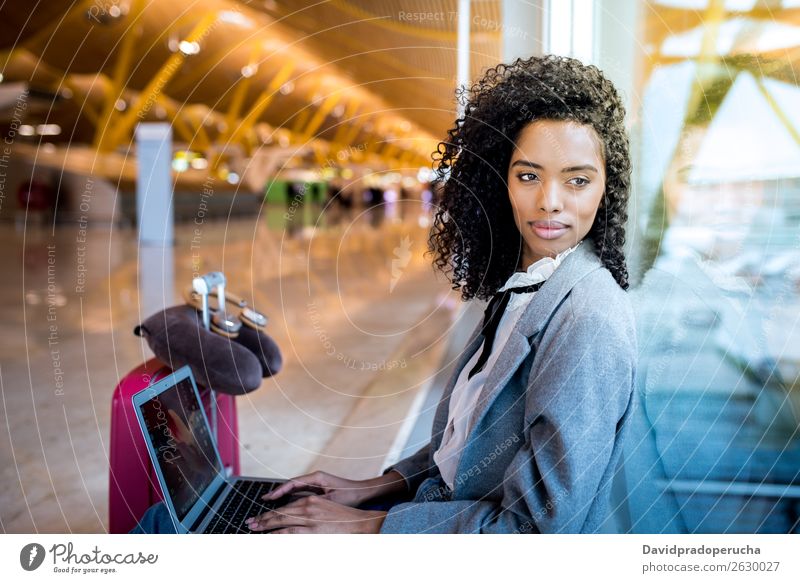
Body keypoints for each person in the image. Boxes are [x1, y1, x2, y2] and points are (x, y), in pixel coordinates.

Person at [131, 54, 638, 534]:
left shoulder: (587, 320)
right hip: (432, 518)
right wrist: (375, 488)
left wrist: (366, 526)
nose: (549, 202)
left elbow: (534, 530)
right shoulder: (527, 286)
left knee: (161, 529)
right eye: (529, 176)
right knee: (189, 520)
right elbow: (464, 451)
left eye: (577, 181)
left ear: (606, 187)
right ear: (498, 180)